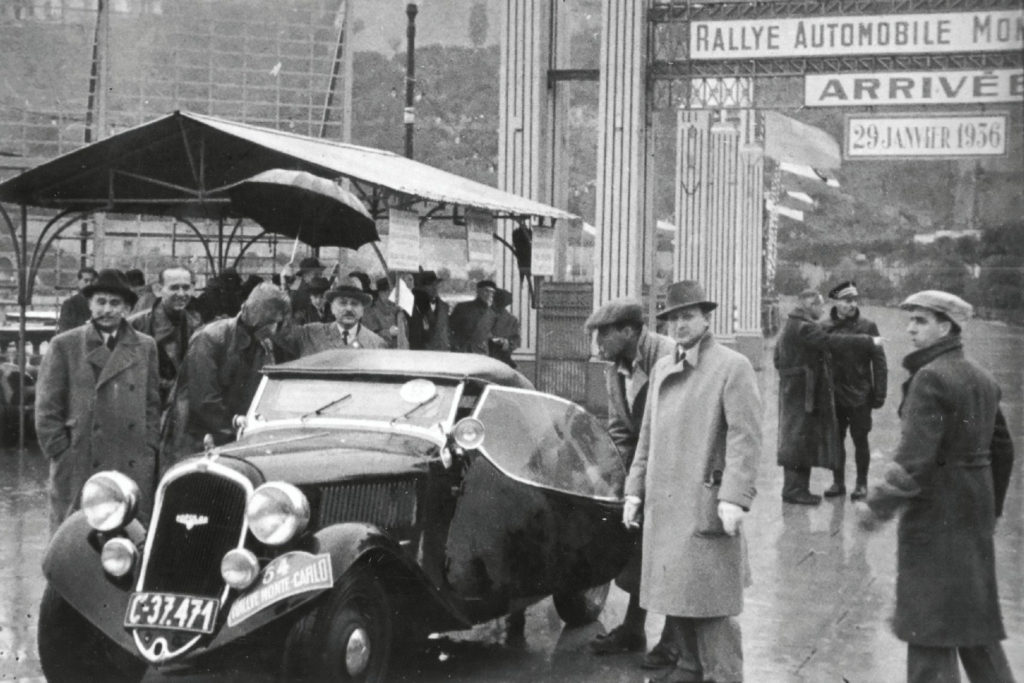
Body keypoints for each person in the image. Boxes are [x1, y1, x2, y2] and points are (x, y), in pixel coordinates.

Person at [857, 290, 1015, 683]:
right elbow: (1003, 449)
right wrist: (989, 510)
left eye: (921, 321)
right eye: (910, 319)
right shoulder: (982, 377)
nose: (910, 328)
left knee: (928, 628)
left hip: (936, 517)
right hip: (972, 513)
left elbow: (914, 458)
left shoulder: (930, 377)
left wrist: (877, 506)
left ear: (947, 327)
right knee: (974, 627)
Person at [623, 280, 761, 683]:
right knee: (676, 601)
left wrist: (734, 497)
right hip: (665, 509)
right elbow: (645, 438)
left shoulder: (731, 366)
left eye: (688, 316)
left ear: (706, 318)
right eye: (672, 318)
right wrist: (634, 490)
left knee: (712, 612)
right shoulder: (663, 367)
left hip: (705, 505)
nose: (680, 325)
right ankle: (687, 666)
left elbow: (745, 438)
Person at [584, 298, 682, 669]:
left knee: (673, 558)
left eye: (604, 336)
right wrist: (620, 480)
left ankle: (673, 642)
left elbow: (679, 423)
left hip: (675, 468)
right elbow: (621, 429)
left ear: (629, 331)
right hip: (645, 466)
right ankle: (633, 629)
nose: (598, 346)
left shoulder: (668, 356)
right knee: (639, 552)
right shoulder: (617, 367)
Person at [35, 269, 161, 532]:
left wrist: (148, 448)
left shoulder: (146, 346)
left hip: (131, 460)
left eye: (115, 303)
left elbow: (151, 404)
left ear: (127, 308)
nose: (107, 309)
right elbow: (47, 411)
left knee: (128, 542)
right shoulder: (65, 345)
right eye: (100, 302)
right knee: (76, 542)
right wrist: (62, 454)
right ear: (90, 305)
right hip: (80, 462)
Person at [162, 283, 293, 461]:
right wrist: (235, 427)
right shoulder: (210, 338)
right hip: (195, 439)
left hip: (235, 438)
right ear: (258, 317)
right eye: (272, 322)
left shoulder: (264, 345)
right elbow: (203, 400)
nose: (274, 329)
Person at [774, 289, 880, 505]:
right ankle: (794, 491)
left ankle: (797, 489)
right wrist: (867, 341)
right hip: (802, 392)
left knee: (798, 439)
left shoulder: (792, 324)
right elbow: (831, 341)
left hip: (794, 390)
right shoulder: (804, 327)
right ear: (810, 305)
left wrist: (791, 375)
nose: (823, 310)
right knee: (798, 439)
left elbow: (776, 357)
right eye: (820, 306)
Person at [822, 281, 887, 500]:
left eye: (854, 300)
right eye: (847, 300)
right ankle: (838, 482)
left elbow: (879, 361)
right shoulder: (824, 326)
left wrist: (880, 393)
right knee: (836, 440)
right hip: (834, 395)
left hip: (860, 395)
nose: (852, 305)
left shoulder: (869, 326)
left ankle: (861, 484)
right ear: (835, 302)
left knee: (860, 440)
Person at [128, 266, 203, 408]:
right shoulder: (136, 324)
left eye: (186, 288)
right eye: (174, 288)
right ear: (158, 290)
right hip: (145, 405)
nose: (181, 294)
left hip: (181, 407)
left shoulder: (196, 324)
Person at [278, 285, 386, 357]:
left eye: (354, 303)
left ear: (362, 310)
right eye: (342, 303)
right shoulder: (309, 334)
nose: (349, 308)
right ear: (332, 308)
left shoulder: (376, 344)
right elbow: (278, 332)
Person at [450, 279, 497, 354]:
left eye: (492, 292)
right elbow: (450, 327)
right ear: (478, 291)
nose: (489, 294)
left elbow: (491, 335)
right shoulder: (463, 307)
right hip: (461, 351)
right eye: (486, 291)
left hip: (480, 353)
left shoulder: (492, 314)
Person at [408, 271, 451, 351]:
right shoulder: (415, 305)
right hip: (423, 353)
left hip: (442, 352)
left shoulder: (443, 305)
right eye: (430, 285)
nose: (434, 288)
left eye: (436, 285)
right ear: (422, 288)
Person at [362, 277, 402, 348]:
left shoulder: (395, 309)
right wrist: (389, 332)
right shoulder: (370, 311)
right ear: (380, 293)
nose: (389, 295)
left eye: (391, 292)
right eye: (386, 291)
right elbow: (368, 335)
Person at [56, 266, 97, 332]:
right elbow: (65, 331)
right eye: (86, 280)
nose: (89, 284)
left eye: (92, 281)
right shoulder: (70, 304)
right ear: (79, 282)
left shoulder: (101, 304)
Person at [288, 257, 326, 324]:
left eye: (320, 274)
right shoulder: (300, 291)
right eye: (316, 275)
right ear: (305, 275)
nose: (319, 277)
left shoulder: (311, 287)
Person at [488, 289, 520, 367]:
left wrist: (506, 342)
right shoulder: (482, 316)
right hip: (482, 358)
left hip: (502, 360)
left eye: (502, 305)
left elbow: (516, 341)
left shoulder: (512, 320)